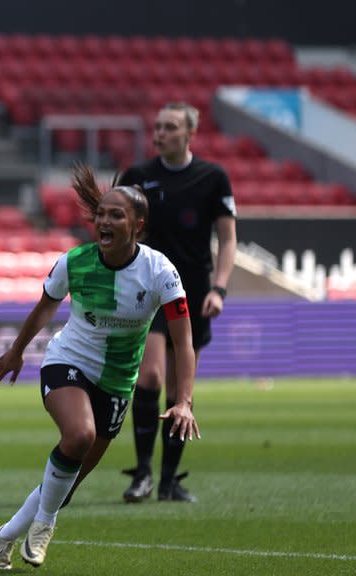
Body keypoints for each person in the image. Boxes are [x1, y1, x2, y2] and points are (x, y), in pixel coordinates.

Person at [0, 165, 200, 571]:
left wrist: (184, 400)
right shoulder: (75, 262)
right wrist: (17, 350)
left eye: (116, 215)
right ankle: (45, 524)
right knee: (79, 435)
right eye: (101, 213)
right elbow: (44, 308)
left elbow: (182, 340)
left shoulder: (160, 272)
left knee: (65, 481)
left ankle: (6, 536)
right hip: (68, 361)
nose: (104, 221)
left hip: (118, 381)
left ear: (137, 224)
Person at [108, 101, 236, 503]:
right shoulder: (138, 177)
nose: (159, 133)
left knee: (182, 389)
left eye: (169, 127)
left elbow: (228, 239)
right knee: (149, 376)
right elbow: (117, 229)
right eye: (157, 126)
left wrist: (220, 289)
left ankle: (168, 481)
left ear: (189, 134)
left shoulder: (213, 178)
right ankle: (143, 472)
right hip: (148, 289)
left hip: (194, 290)